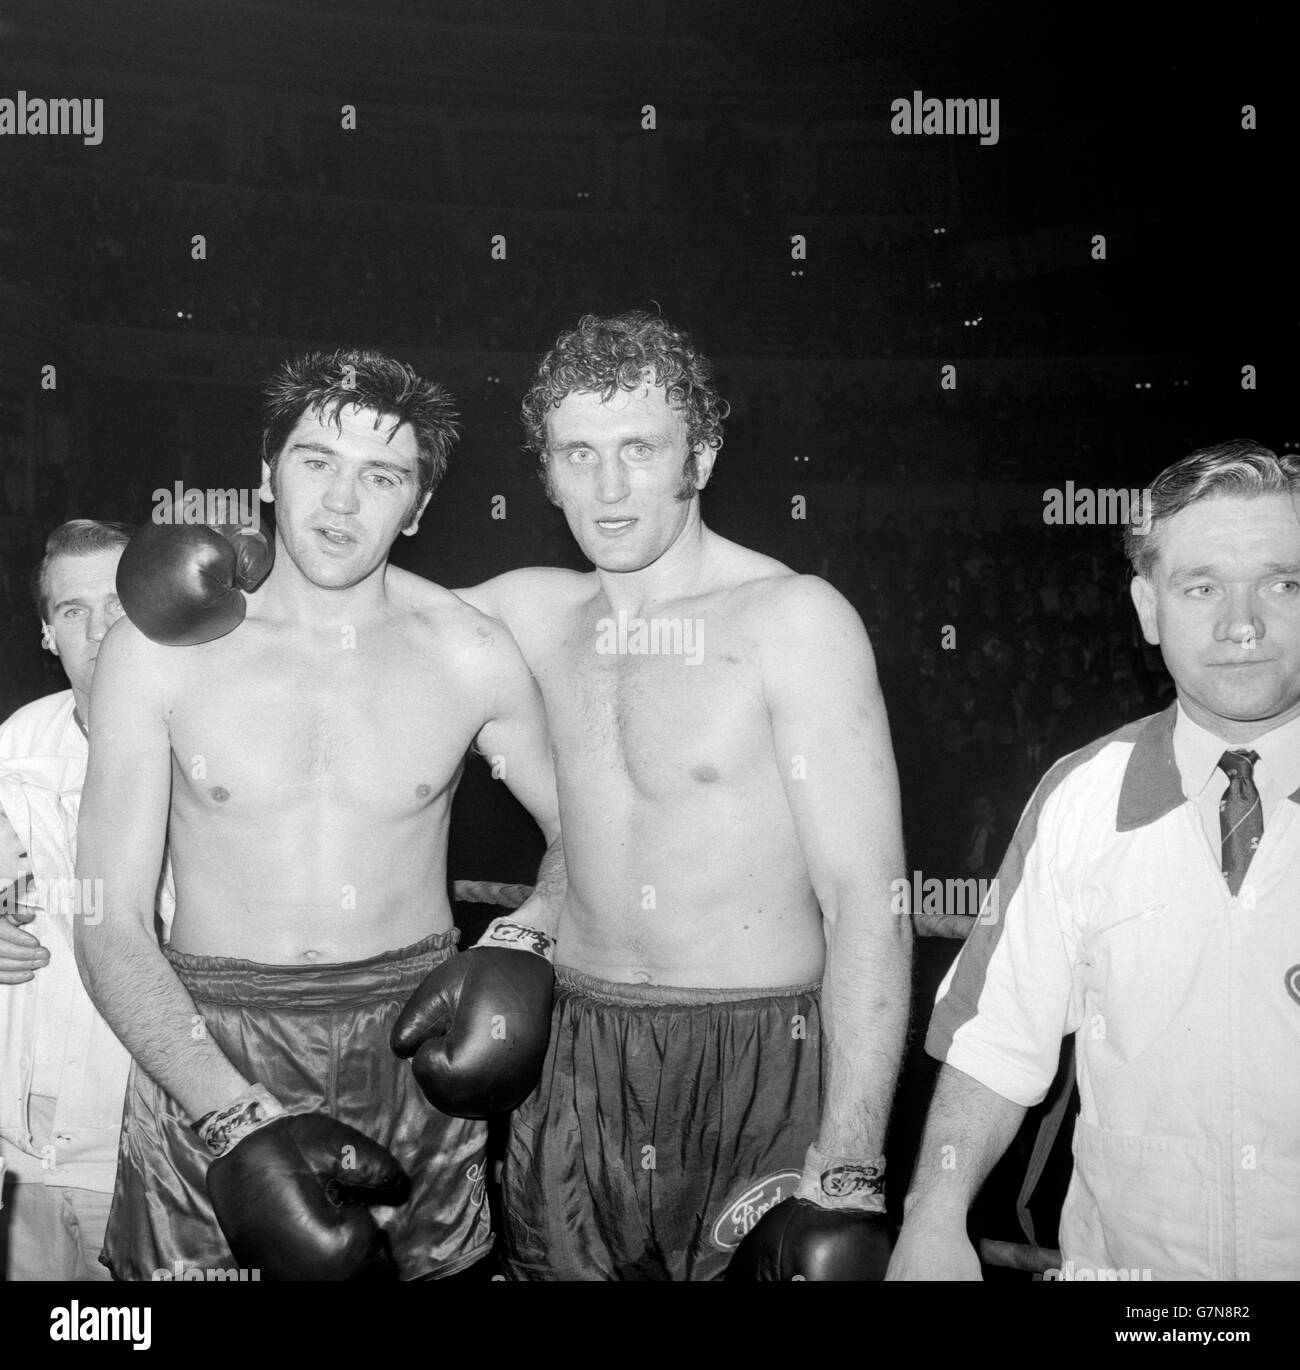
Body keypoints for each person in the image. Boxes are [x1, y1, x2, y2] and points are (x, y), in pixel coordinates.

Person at [397, 312, 910, 1280]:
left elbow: (868, 903)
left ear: (701, 456)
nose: (609, 485)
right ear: (544, 469)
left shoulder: (792, 620)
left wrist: (848, 1167)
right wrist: (223, 575)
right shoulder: (532, 611)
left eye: (639, 448)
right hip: (578, 1052)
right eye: (577, 453)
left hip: (757, 1051)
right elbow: (353, 611)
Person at [75, 349, 564, 1280]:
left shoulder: (471, 654)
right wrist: (230, 1116)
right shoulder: (158, 654)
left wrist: (529, 935)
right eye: (315, 462)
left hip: (413, 1044)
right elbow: (109, 918)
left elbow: (581, 834)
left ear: (418, 506)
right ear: (266, 474)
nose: (342, 504)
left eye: (381, 476)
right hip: (207, 1046)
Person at [889, 439, 1300, 1281]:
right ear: (1148, 608)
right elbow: (994, 1046)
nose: (1242, 623)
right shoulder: (1079, 797)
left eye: (1283, 582)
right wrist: (932, 1220)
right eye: (1201, 587)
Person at [0, 520, 140, 1280]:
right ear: (48, 634)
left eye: (118, 601)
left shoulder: (223, 750)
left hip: (151, 1146)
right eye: (73, 610)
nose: (98, 629)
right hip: (21, 1155)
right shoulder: (12, 749)